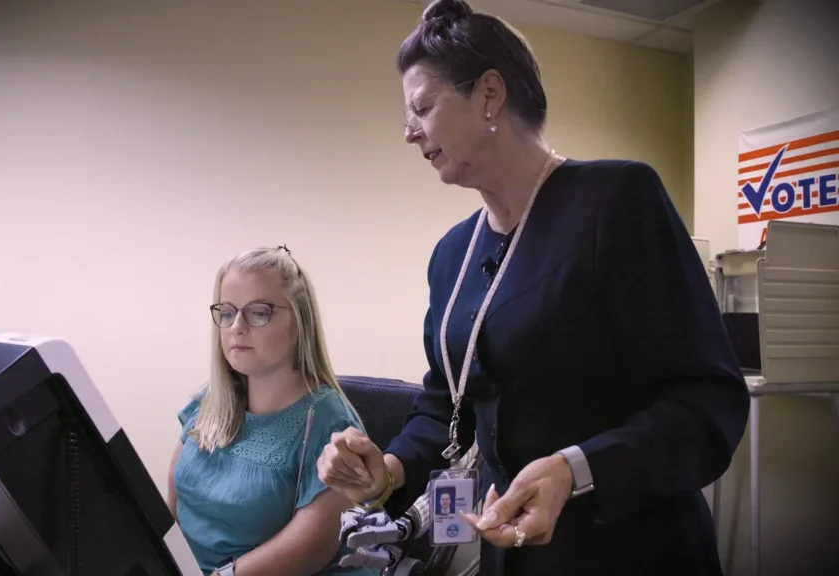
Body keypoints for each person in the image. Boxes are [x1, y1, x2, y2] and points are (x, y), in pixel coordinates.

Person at [315, 1, 751, 575]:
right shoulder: (453, 254)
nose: (408, 131)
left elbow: (707, 401)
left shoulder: (617, 201)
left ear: (490, 95)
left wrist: (576, 468)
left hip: (628, 550)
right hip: (509, 554)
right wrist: (390, 468)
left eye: (422, 106)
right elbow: (445, 406)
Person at [169, 246, 376, 576]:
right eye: (226, 312)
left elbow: (308, 551)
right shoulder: (207, 402)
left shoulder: (328, 422)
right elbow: (174, 508)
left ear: (299, 321)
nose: (237, 326)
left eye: (259, 312)